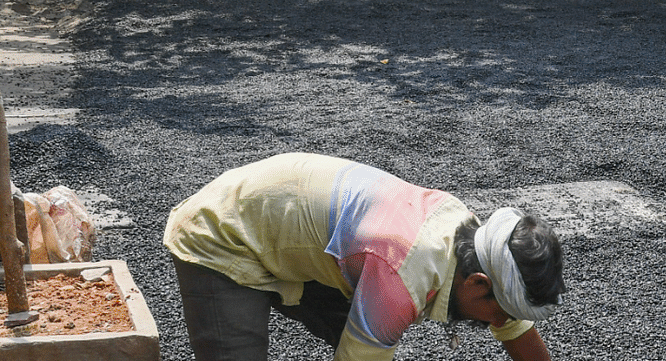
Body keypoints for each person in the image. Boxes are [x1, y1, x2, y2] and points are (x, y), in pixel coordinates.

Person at [163, 153, 565, 361]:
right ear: (478, 283)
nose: (496, 324)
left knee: (361, 336)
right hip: (224, 232)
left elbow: (514, 326)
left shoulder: (474, 239)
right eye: (498, 312)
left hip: (301, 235)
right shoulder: (400, 278)